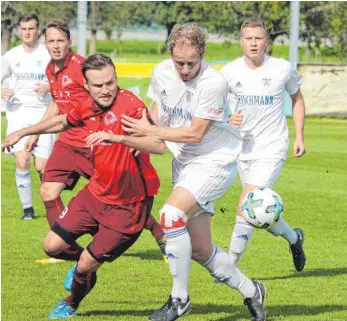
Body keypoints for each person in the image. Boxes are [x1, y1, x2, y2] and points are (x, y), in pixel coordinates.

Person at [121, 23, 267, 321]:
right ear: (170, 54)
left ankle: (179, 300)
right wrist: (146, 137)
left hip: (214, 162)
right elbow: (159, 107)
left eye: (191, 63)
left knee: (170, 216)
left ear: (202, 53)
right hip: (185, 165)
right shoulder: (162, 71)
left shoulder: (214, 82)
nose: (185, 69)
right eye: (179, 63)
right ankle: (252, 290)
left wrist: (151, 131)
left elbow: (196, 133)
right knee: (200, 250)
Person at [2, 54, 166, 319]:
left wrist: (118, 138)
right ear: (87, 86)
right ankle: (83, 265)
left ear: (116, 79)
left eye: (110, 83)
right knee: (52, 246)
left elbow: (158, 145)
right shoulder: (89, 105)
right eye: (98, 85)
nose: (106, 90)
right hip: (95, 195)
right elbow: (61, 121)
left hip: (127, 205)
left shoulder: (131, 107)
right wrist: (23, 132)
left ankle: (71, 302)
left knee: (87, 263)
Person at [29, 20, 165, 268]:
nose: (56, 46)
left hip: (94, 144)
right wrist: (34, 133)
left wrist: (127, 135)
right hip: (68, 142)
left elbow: (106, 101)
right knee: (48, 191)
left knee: (118, 195)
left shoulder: (83, 67)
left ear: (69, 42)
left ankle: (160, 234)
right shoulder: (50, 69)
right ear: (44, 43)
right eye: (51, 41)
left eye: (61, 40)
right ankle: (69, 250)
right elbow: (58, 106)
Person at [220, 17, 306, 272]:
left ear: (266, 41)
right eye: (249, 38)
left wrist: (300, 135)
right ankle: (294, 238)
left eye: (259, 38)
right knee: (258, 212)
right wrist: (228, 117)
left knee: (246, 204)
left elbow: (297, 99)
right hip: (242, 149)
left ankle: (227, 267)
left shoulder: (281, 68)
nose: (254, 43)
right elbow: (215, 105)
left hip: (272, 147)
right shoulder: (229, 71)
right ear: (241, 41)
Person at [1, 12, 55, 220]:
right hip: (18, 113)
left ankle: (52, 206)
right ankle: (28, 210)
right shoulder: (11, 56)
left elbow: (62, 80)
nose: (27, 32)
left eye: (31, 29)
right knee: (21, 160)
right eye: (23, 29)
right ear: (19, 30)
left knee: (43, 166)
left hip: (44, 114)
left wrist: (49, 86)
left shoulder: (49, 54)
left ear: (38, 30)